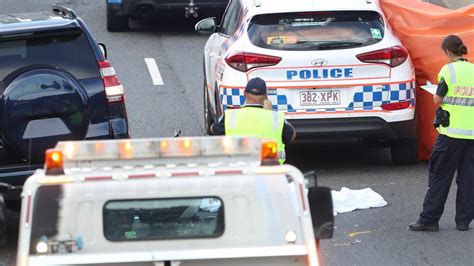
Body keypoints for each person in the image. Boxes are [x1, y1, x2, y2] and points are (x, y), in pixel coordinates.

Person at [409, 35, 474, 232]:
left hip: (450, 135)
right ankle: (463, 222)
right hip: (472, 135)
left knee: (439, 177)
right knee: (469, 179)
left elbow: (438, 98)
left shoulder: (448, 70)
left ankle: (429, 220)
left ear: (447, 52)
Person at [209, 77, 296, 162]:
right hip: (269, 169)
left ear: (245, 93)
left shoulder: (230, 115)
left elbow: (213, 130)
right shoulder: (276, 118)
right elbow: (292, 136)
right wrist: (270, 112)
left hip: (238, 169)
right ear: (266, 96)